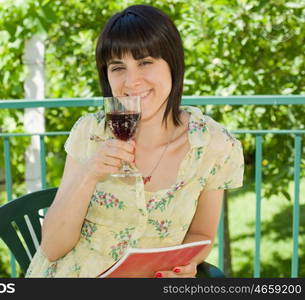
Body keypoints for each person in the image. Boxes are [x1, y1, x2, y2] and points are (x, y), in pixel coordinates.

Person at [26, 4, 244, 278]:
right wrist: (90, 173)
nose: (132, 81)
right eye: (118, 67)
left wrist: (185, 265)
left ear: (172, 64)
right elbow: (53, 247)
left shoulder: (214, 146)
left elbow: (201, 233)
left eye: (145, 62)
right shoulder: (91, 133)